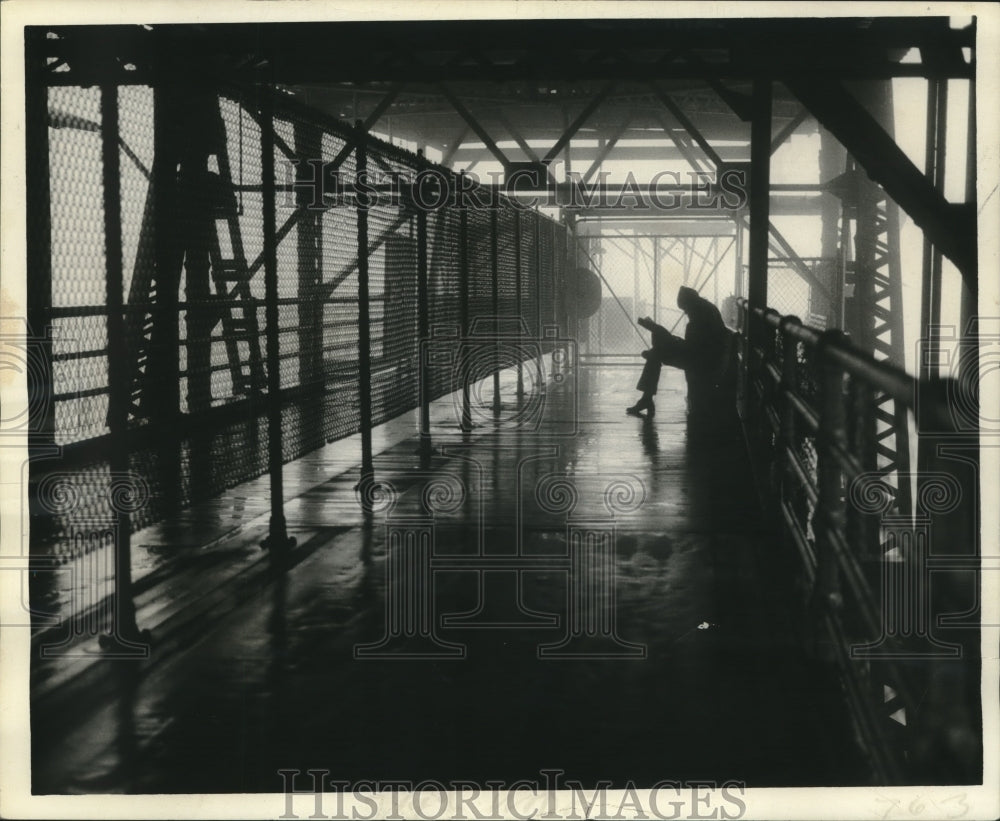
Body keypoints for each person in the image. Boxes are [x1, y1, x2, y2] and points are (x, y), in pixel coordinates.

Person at [626, 286, 734, 418]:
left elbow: (692, 349)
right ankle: (646, 397)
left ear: (689, 304)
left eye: (685, 309)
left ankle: (646, 399)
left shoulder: (698, 319)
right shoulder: (706, 311)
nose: (685, 313)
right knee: (657, 350)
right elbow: (695, 346)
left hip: (703, 362)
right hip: (707, 358)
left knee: (656, 352)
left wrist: (670, 340)